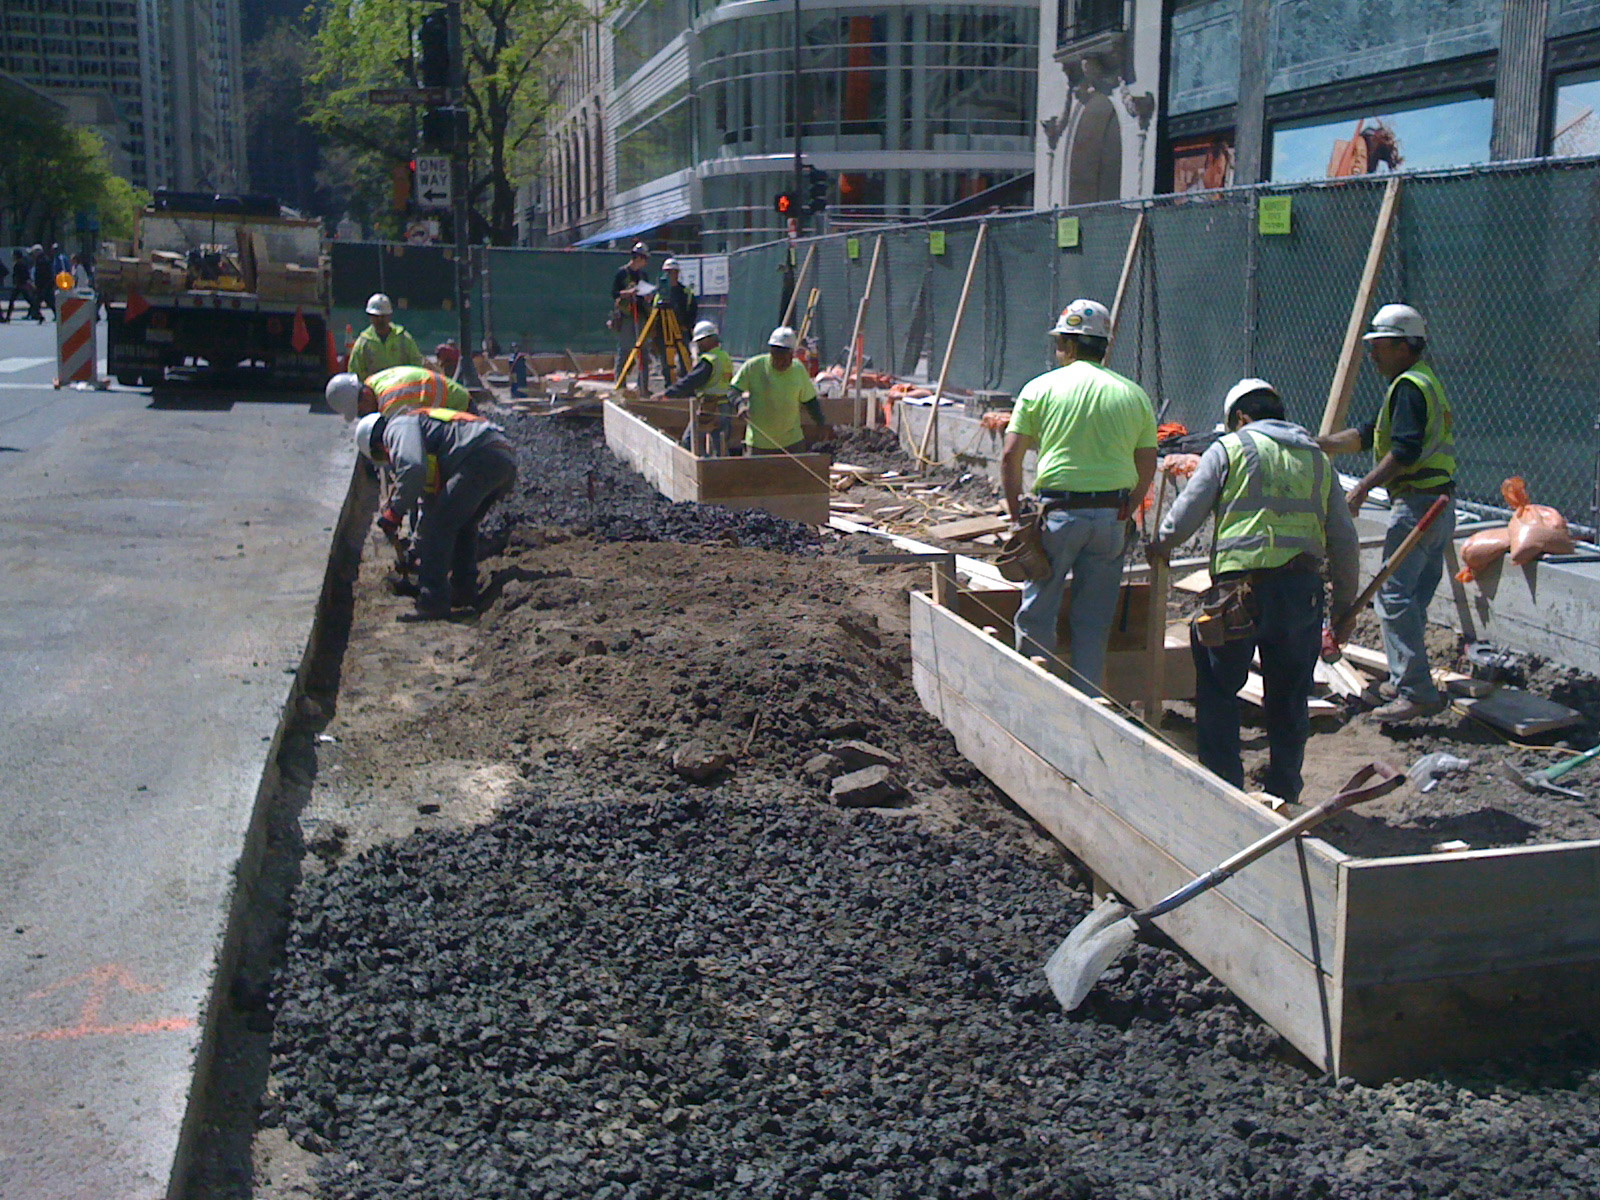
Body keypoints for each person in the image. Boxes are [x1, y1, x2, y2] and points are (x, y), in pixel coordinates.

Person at [1151, 378, 1360, 802]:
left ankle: (1223, 791)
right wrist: (1344, 607)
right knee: (1289, 696)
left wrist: (1160, 543)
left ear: (1241, 418)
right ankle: (1284, 790)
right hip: (1301, 593)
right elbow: (1344, 539)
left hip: (1237, 593)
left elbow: (1183, 516)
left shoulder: (1230, 449)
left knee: (1218, 688)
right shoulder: (1318, 459)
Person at [1000, 298, 1157, 696]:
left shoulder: (1040, 388)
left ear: (1068, 346)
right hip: (1111, 517)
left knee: (1038, 609)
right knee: (1093, 620)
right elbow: (1148, 464)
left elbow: (1010, 456)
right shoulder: (1133, 395)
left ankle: (1034, 696)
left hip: (1059, 515)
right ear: (1104, 346)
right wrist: (1130, 505)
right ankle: (1087, 701)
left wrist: (1018, 512)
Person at [1317, 303, 1455, 721]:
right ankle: (1405, 677)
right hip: (1438, 503)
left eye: (1379, 346)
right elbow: (1366, 434)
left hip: (1417, 504)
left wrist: (1361, 487)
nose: (1373, 354)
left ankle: (1416, 691)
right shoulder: (1418, 384)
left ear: (1402, 345)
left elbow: (1404, 449)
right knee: (1411, 597)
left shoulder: (1410, 387)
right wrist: (1321, 443)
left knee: (1393, 596)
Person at [353, 407, 518, 620]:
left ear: (378, 444)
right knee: (462, 528)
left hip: (479, 457)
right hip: (501, 459)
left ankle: (432, 602)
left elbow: (412, 469)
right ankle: (465, 593)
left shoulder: (398, 426)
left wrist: (395, 511)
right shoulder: (431, 444)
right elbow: (429, 508)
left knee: (441, 528)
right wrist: (416, 551)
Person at [728, 325, 830, 455]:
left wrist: (820, 423)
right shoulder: (754, 366)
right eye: (777, 357)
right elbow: (733, 390)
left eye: (785, 358)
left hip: (792, 444)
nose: (780, 362)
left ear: (792, 354)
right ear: (771, 352)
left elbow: (810, 400)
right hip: (759, 445)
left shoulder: (798, 370)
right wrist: (740, 405)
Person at [663, 319, 734, 454]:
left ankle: (700, 469)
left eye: (700, 341)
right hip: (725, 406)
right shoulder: (724, 356)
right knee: (720, 447)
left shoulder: (709, 360)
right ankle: (721, 472)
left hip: (710, 407)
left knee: (689, 442)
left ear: (709, 339)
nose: (698, 345)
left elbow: (692, 381)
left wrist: (669, 393)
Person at [324, 364, 471, 421]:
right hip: (455, 398)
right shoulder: (373, 381)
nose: (364, 416)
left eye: (361, 412)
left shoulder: (392, 405)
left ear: (365, 397)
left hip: (460, 409)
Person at [347, 293, 423, 381]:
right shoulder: (363, 342)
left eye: (383, 316)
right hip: (374, 392)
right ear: (370, 317)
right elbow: (354, 374)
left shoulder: (404, 338)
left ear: (389, 315)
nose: (379, 320)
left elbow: (417, 367)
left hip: (400, 390)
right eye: (376, 316)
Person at [610, 242, 653, 390]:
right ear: (638, 258)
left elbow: (646, 292)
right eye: (644, 259)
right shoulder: (622, 274)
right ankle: (620, 386)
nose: (646, 262)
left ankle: (643, 388)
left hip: (641, 316)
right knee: (625, 352)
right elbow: (614, 293)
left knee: (644, 354)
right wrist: (628, 293)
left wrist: (648, 297)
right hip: (627, 316)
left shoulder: (643, 275)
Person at [654, 257, 697, 382]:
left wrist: (687, 325)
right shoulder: (659, 295)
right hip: (664, 332)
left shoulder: (685, 292)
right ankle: (670, 384)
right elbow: (654, 314)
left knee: (685, 359)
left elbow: (693, 310)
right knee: (666, 360)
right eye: (666, 272)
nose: (668, 275)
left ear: (677, 273)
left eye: (671, 271)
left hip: (681, 331)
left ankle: (686, 384)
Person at [7, 249, 36, 322]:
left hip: (20, 285)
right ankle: (39, 315)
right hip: (22, 284)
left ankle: (8, 316)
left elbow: (22, 274)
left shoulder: (19, 264)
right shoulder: (22, 262)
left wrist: (20, 281)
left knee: (12, 300)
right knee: (30, 300)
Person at [31, 246, 54, 321]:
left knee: (38, 301)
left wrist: (38, 284)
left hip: (43, 284)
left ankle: (37, 315)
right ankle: (37, 315)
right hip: (45, 284)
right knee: (48, 301)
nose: (34, 254)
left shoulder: (42, 260)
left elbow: (42, 274)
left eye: (34, 252)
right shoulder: (43, 259)